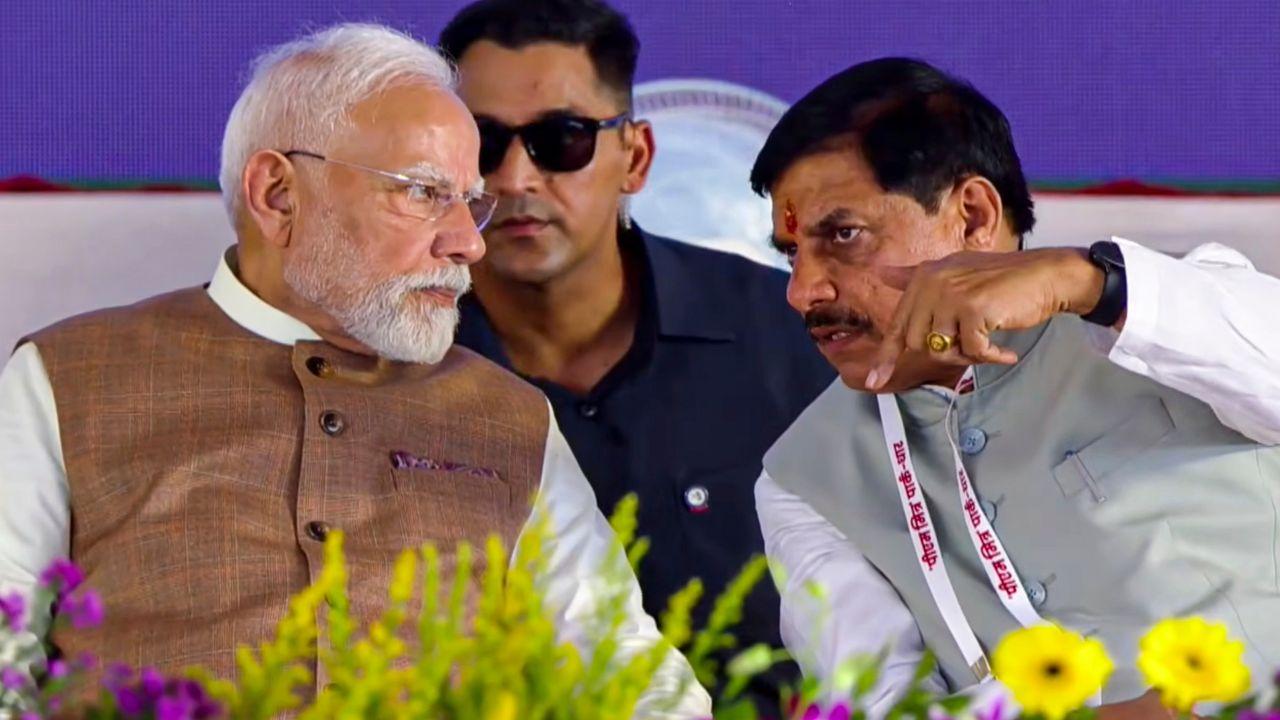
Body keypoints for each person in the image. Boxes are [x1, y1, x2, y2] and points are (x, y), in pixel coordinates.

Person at [0, 23, 710, 716]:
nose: (469, 244)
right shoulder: (67, 379)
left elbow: (627, 669)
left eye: (470, 203)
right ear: (278, 194)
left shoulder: (508, 416)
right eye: (425, 192)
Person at [750, 57, 1280, 717]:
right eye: (791, 254)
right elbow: (874, 705)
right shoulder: (803, 480)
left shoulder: (1165, 312)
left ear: (972, 217)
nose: (803, 292)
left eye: (845, 236)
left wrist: (1090, 284)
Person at [436, 0, 836, 708]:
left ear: (636, 156)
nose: (515, 179)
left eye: (562, 139)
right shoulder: (394, 362)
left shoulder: (796, 341)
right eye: (483, 143)